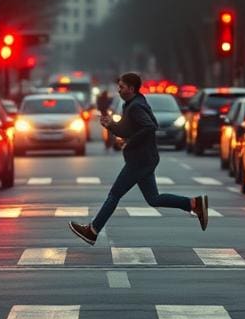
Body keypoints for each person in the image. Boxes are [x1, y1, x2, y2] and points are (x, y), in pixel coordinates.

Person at [68, 72, 209, 246]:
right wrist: (111, 125)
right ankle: (194, 204)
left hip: (140, 160)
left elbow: (150, 127)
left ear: (131, 88)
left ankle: (93, 231)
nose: (119, 90)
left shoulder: (135, 106)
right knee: (153, 199)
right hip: (144, 158)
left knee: (114, 194)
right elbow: (131, 129)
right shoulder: (134, 104)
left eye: (122, 87)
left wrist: (130, 143)